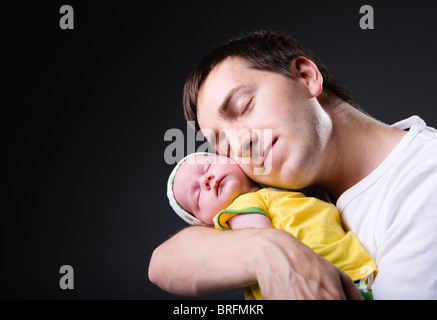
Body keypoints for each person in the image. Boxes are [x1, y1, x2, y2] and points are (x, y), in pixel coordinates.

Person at [149, 31, 437, 299]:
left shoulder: (424, 185)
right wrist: (266, 250)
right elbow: (162, 264)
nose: (241, 145)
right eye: (223, 145)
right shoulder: (295, 199)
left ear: (306, 76)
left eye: (245, 106)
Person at [167, 152, 377, 300]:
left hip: (349, 278)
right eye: (197, 195)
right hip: (325, 284)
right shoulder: (241, 208)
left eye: (208, 166)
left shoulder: (272, 194)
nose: (206, 180)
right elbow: (263, 238)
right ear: (205, 221)